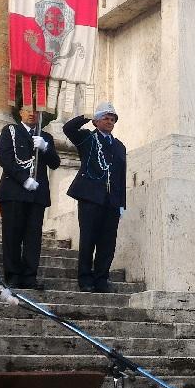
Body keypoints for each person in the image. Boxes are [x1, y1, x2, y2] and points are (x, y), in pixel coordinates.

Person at [64, 102, 126, 293]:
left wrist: (122, 202)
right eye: (106, 118)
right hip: (90, 197)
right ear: (97, 121)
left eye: (112, 119)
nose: (110, 121)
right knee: (88, 238)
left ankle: (101, 279)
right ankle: (85, 279)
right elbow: (68, 129)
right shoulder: (87, 138)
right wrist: (86, 116)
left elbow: (121, 175)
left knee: (108, 242)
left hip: (112, 200)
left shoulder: (119, 146)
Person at [0, 104, 61, 289]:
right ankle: (13, 275)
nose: (32, 113)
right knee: (12, 235)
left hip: (36, 195)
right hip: (14, 192)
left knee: (33, 237)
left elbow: (55, 163)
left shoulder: (45, 136)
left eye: (36, 110)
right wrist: (24, 179)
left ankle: (30, 276)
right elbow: (4, 158)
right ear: (20, 112)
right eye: (27, 109)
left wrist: (46, 147)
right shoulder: (11, 131)